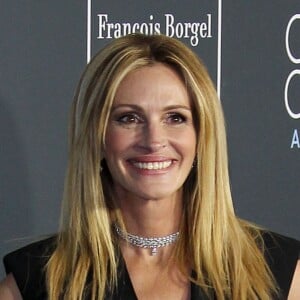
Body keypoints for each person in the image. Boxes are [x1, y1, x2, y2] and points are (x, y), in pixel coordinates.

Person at [0, 33, 299, 300]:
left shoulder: (279, 273)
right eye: (129, 118)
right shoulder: (37, 284)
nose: (154, 140)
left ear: (202, 135)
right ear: (98, 137)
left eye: (175, 118)